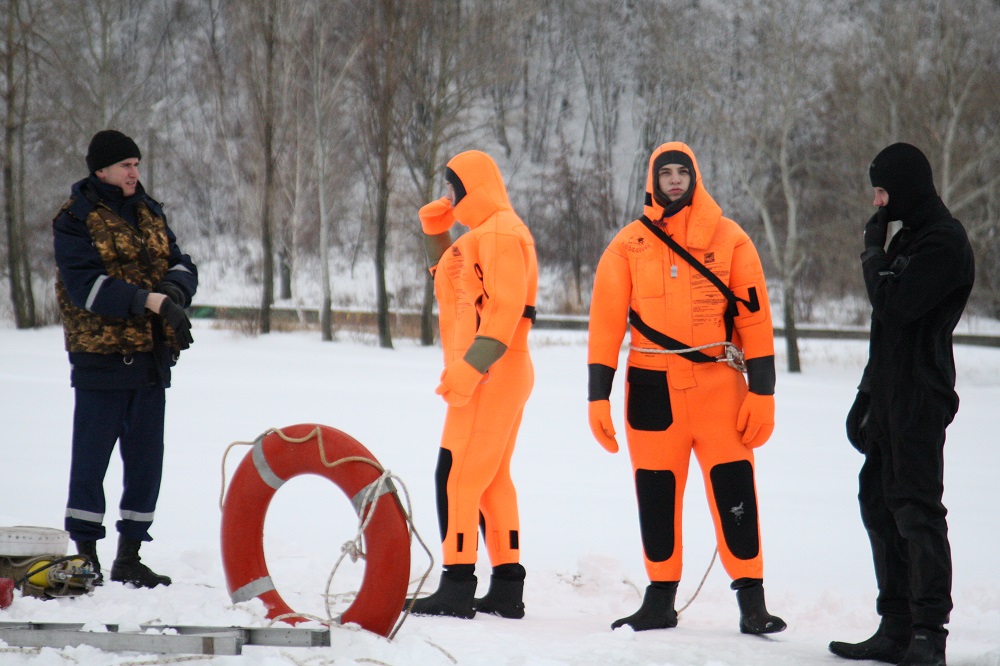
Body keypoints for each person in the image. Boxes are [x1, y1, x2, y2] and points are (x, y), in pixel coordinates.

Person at [587, 141, 785, 634]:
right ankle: (659, 601)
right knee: (655, 494)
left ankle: (752, 604)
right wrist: (597, 395)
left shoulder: (732, 238)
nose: (674, 180)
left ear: (695, 176)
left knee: (736, 491)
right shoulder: (626, 244)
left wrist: (763, 390)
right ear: (652, 181)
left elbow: (756, 321)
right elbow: (605, 325)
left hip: (720, 388)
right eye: (665, 172)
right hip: (651, 389)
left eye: (682, 171)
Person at [829, 143, 974, 666]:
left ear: (907, 187)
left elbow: (896, 306)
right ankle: (895, 626)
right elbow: (882, 333)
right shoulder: (910, 238)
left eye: (883, 190)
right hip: (889, 393)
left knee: (916, 510)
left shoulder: (944, 242)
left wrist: (872, 255)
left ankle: (928, 634)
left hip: (921, 396)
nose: (877, 202)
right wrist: (866, 395)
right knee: (878, 503)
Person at [53, 129, 198, 589]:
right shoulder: (75, 218)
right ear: (101, 171)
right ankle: (87, 556)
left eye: (137, 164)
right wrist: (151, 302)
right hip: (101, 358)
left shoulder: (148, 210)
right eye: (125, 166)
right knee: (91, 460)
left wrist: (175, 292)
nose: (134, 172)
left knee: (145, 460)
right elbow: (87, 287)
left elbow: (181, 262)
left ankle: (130, 556)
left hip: (151, 358)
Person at [409, 150, 537, 619]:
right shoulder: (480, 236)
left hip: (490, 372)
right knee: (490, 480)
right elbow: (449, 281)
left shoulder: (500, 232)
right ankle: (506, 588)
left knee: (456, 476)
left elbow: (503, 310)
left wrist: (470, 370)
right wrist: (435, 230)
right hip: (494, 372)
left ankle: (457, 585)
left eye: (451, 186)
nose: (446, 194)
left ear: (471, 187)